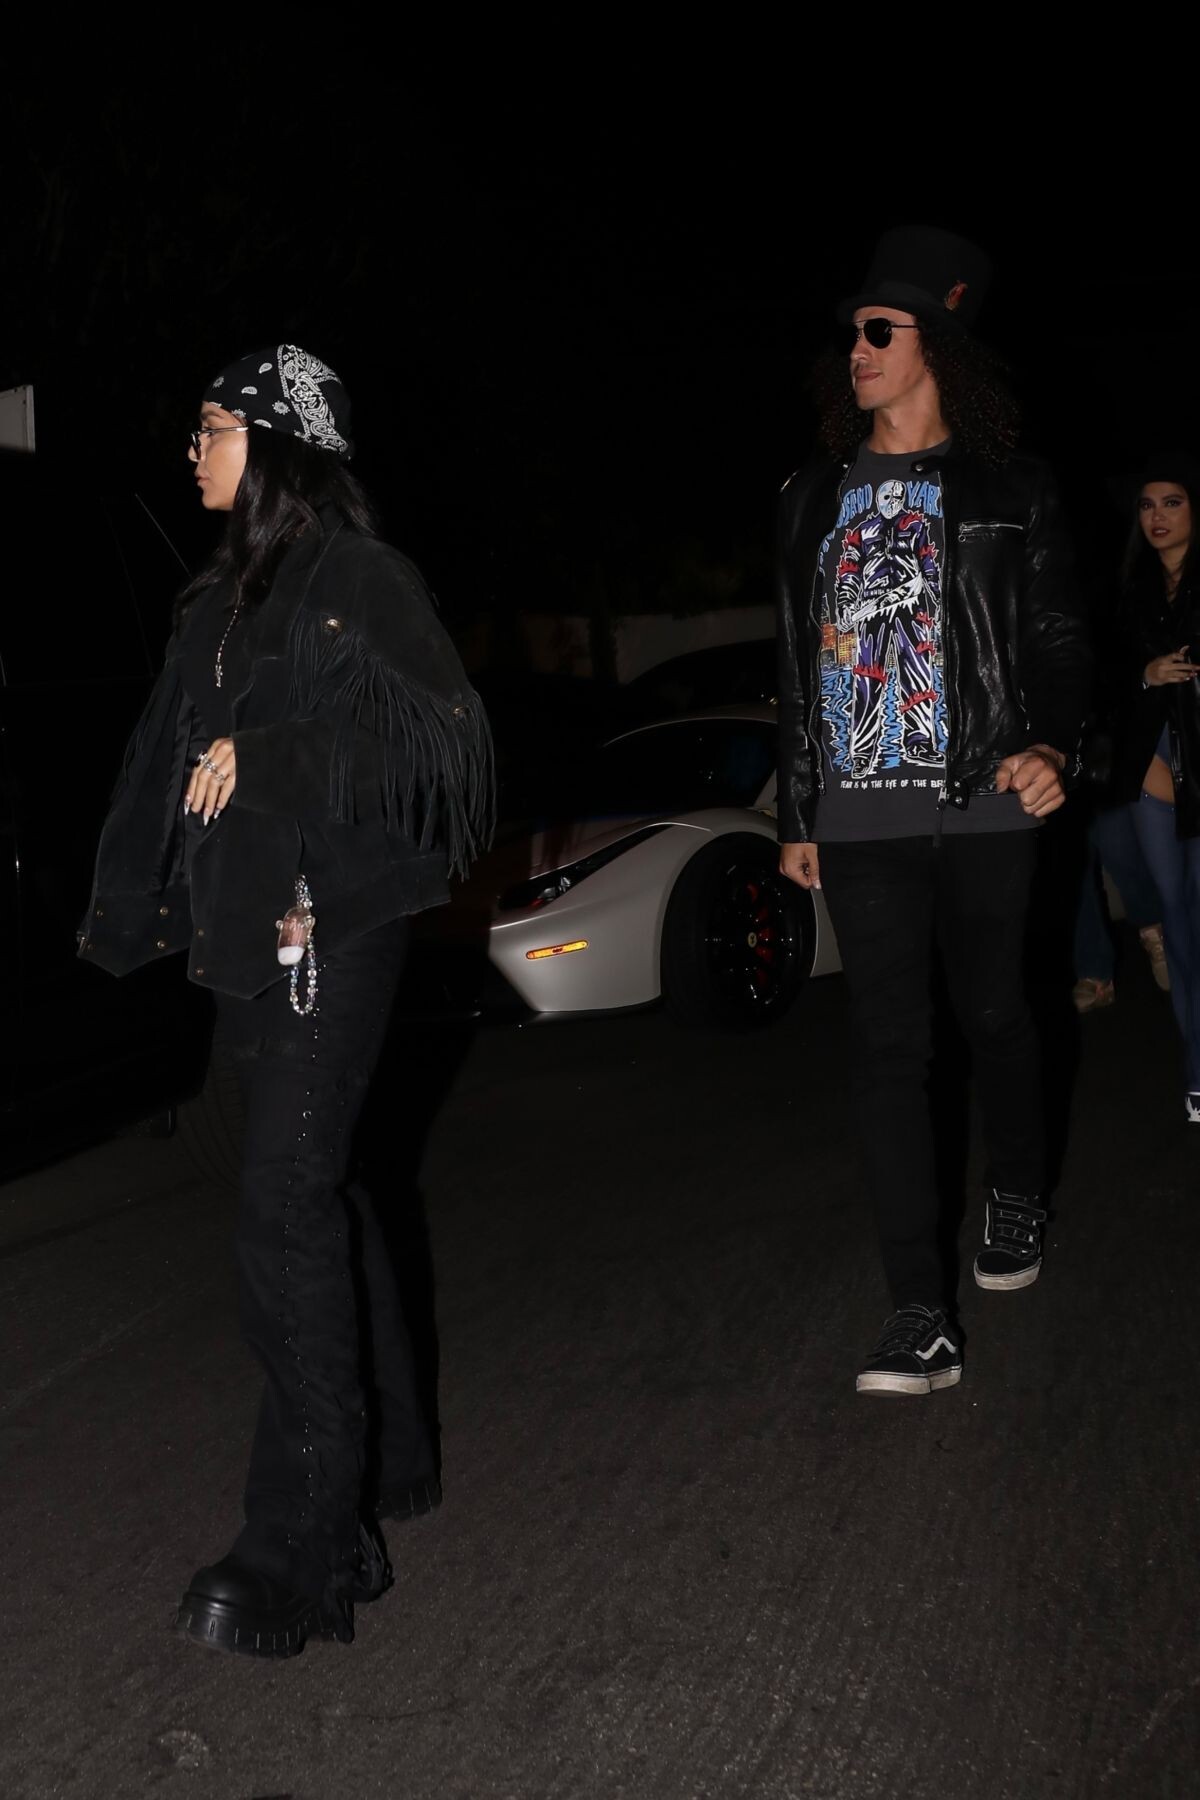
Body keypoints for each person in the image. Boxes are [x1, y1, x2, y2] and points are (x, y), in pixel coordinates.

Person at [80, 344, 493, 1655]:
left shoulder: (358, 577)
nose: (191, 450)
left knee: (281, 1212)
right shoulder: (211, 601)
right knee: (322, 1191)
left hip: (340, 926)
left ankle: (311, 1545)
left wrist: (275, 756)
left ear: (278, 442)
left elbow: (446, 744)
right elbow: (159, 763)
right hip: (247, 939)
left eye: (211, 427)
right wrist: (126, 908)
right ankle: (397, 1453)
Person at [775, 227, 1089, 1397]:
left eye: (879, 329)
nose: (855, 348)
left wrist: (1056, 744)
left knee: (996, 1012)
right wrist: (796, 810)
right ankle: (919, 1311)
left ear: (936, 346)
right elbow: (793, 662)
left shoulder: (1013, 487)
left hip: (986, 796)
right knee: (886, 1049)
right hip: (860, 811)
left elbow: (1058, 641)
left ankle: (1018, 1186)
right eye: (850, 331)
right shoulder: (810, 496)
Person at [1105, 457, 1200, 1120]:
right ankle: (1196, 1069)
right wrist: (1144, 673)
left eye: (1171, 501)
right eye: (1147, 504)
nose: (1157, 516)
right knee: (1177, 918)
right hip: (1150, 762)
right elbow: (1101, 681)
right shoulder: (1128, 589)